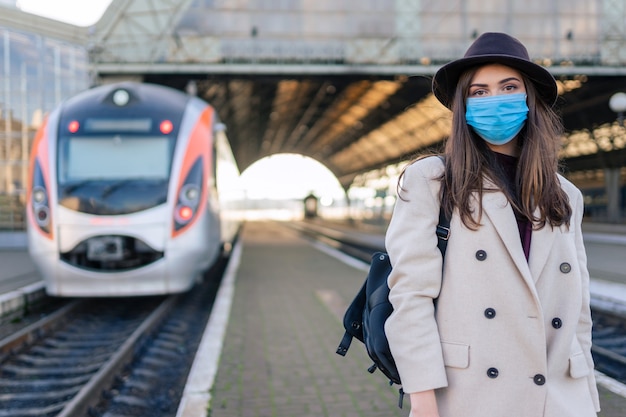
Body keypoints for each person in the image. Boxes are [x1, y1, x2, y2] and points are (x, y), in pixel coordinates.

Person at [384, 32, 600, 417]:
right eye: (479, 92)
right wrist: (422, 398)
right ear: (462, 106)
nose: (494, 100)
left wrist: (585, 394)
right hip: (471, 394)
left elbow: (578, 307)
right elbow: (411, 296)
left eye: (509, 87)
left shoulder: (565, 194)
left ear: (530, 99)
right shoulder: (432, 180)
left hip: (558, 397)